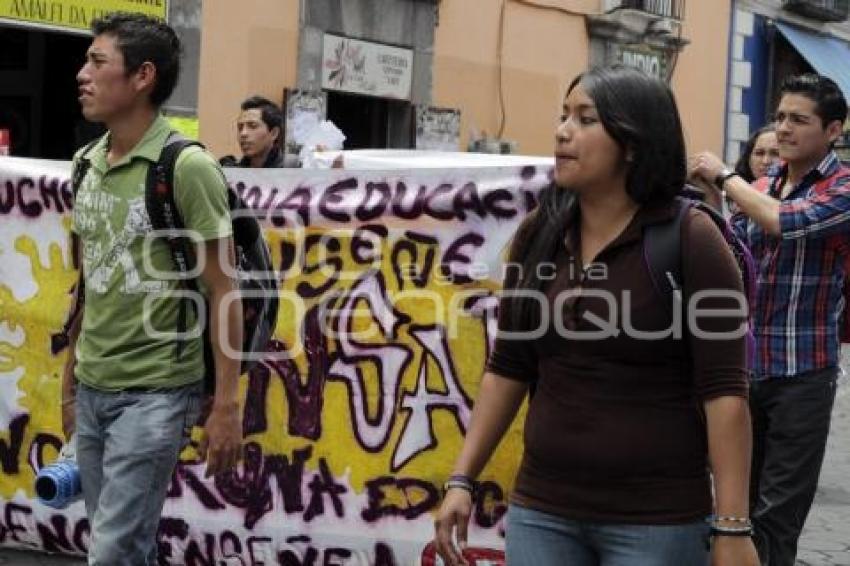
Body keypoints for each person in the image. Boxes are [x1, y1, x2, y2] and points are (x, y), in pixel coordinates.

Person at [433, 66, 759, 566]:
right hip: (542, 513)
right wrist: (461, 479)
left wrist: (732, 528)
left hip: (658, 523)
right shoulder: (538, 233)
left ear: (633, 142)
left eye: (586, 119)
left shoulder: (691, 238)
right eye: (563, 116)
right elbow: (509, 367)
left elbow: (725, 395)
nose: (563, 131)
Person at [64, 12, 243, 564]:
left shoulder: (186, 168)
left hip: (157, 394)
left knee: (112, 551)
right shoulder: (85, 165)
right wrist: (70, 381)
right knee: (121, 545)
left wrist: (228, 406)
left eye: (97, 62)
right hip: (94, 388)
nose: (82, 74)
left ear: (143, 77)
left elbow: (224, 289)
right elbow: (88, 286)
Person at [691, 73, 849, 566]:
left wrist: (723, 178)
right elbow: (731, 253)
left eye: (798, 120)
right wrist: (713, 201)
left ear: (834, 131)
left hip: (804, 371)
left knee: (778, 513)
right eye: (780, 117)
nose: (783, 129)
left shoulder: (842, 187)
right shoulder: (763, 185)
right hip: (745, 367)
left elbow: (786, 222)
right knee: (734, 507)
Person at [235, 95, 288, 167]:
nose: (243, 133)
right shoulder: (233, 170)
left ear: (274, 133)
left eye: (252, 126)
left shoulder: (291, 171)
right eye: (240, 127)